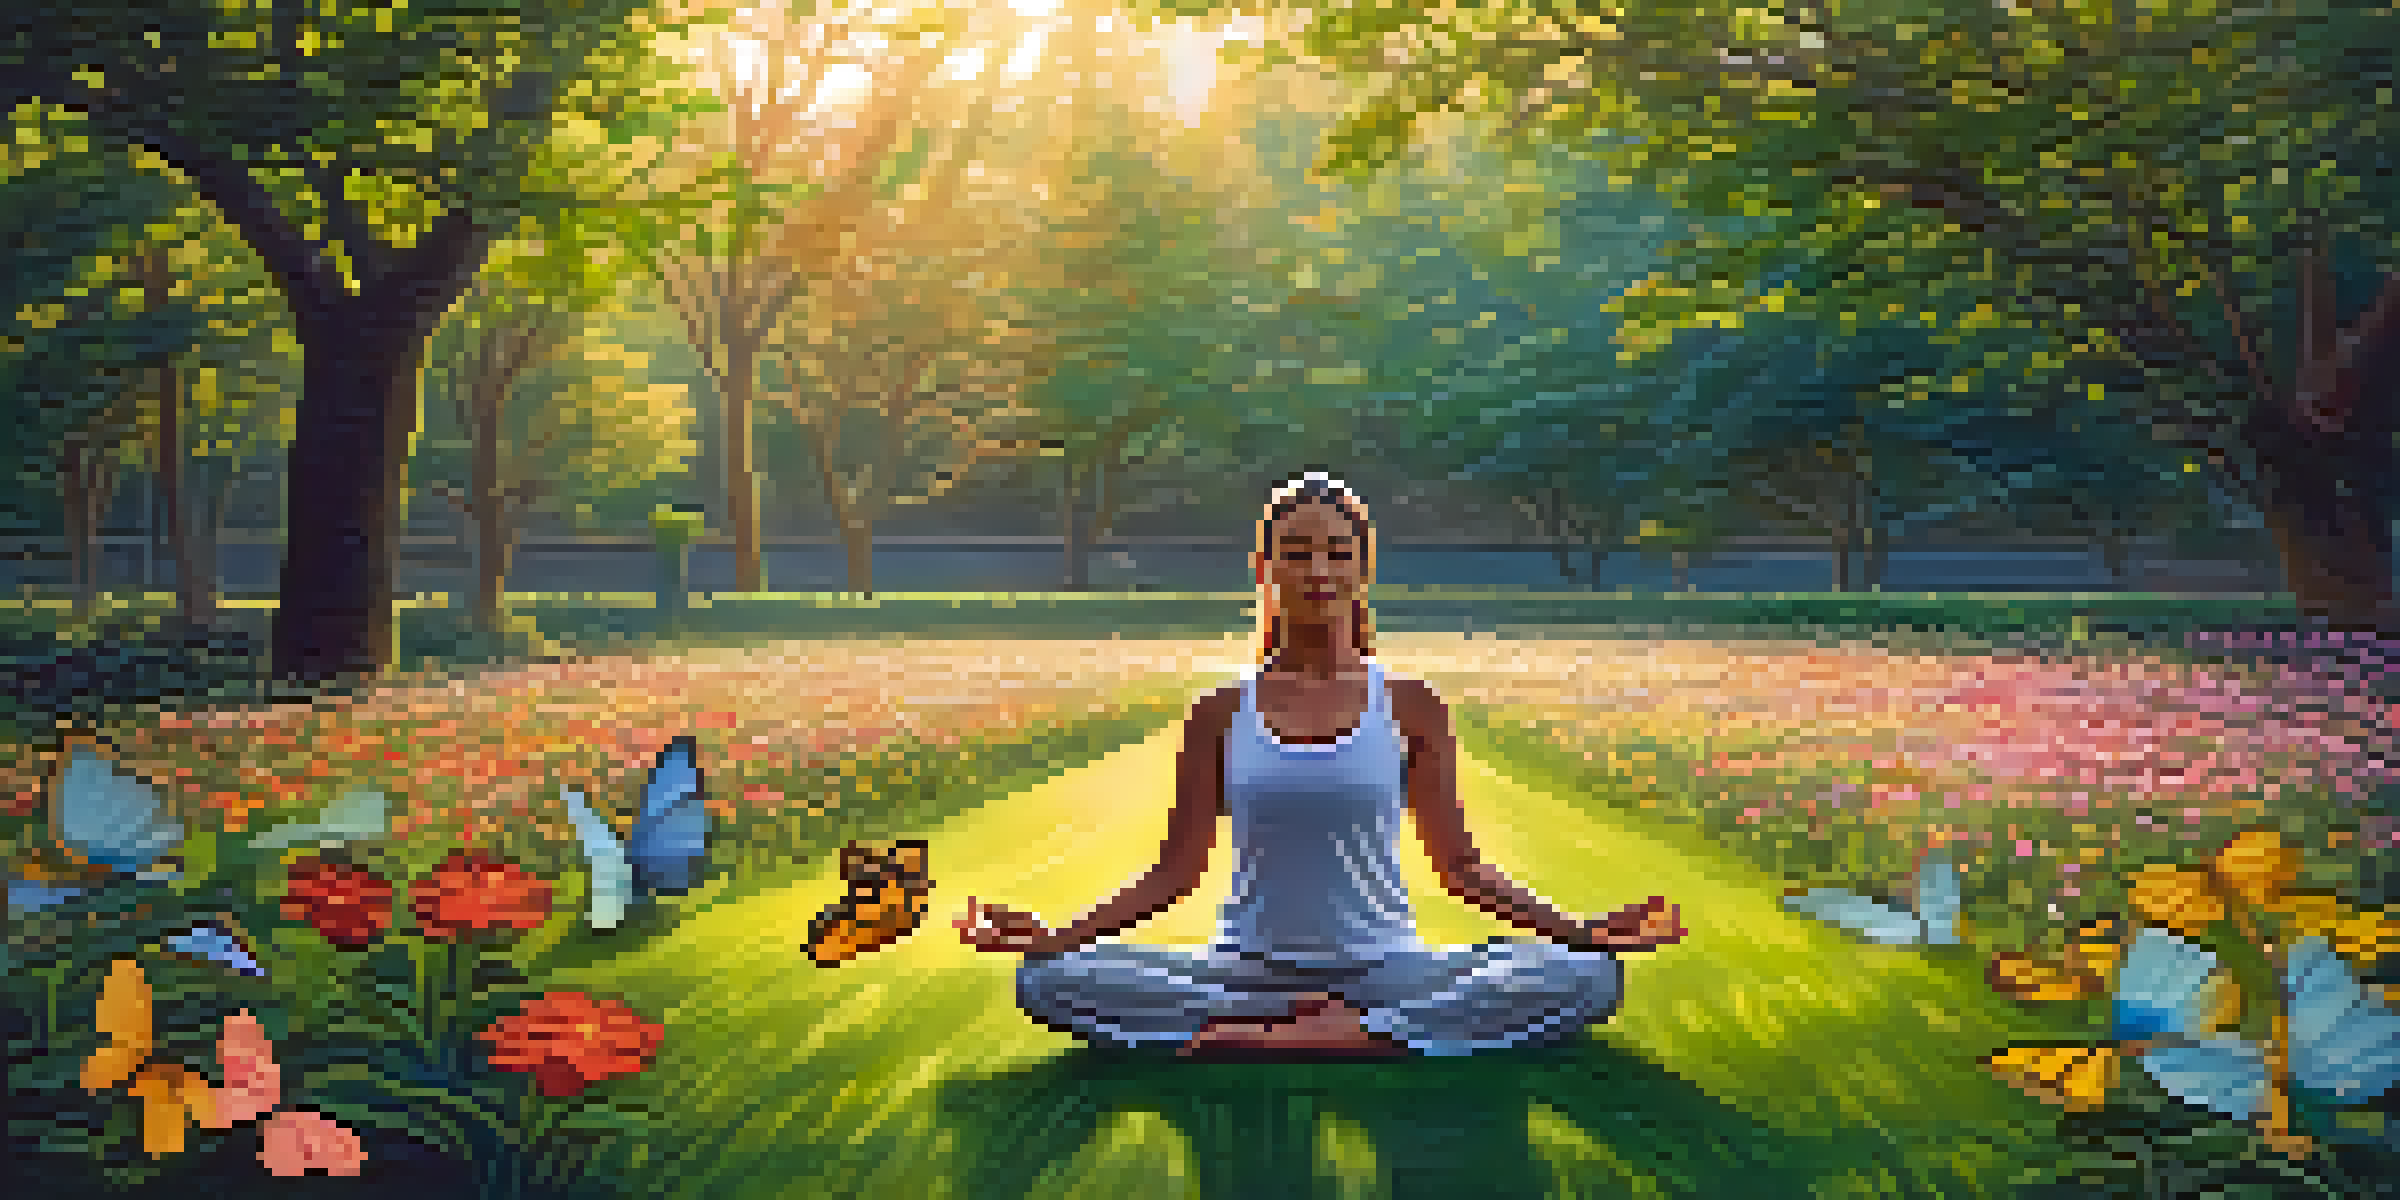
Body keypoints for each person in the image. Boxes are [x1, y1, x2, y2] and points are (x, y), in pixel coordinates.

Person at [956, 470, 1687, 1058]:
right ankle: (1353, 1032)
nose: (1317, 570)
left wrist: (1580, 931)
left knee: (1588, 976)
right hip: (1245, 972)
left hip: (1388, 970)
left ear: (1362, 570)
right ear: (1264, 569)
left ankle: (1327, 1036)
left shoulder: (1410, 705)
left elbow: (1461, 869)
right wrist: (1056, 937)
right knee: (1046, 980)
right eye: (1297, 551)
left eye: (1337, 552)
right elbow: (1174, 874)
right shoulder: (1220, 711)